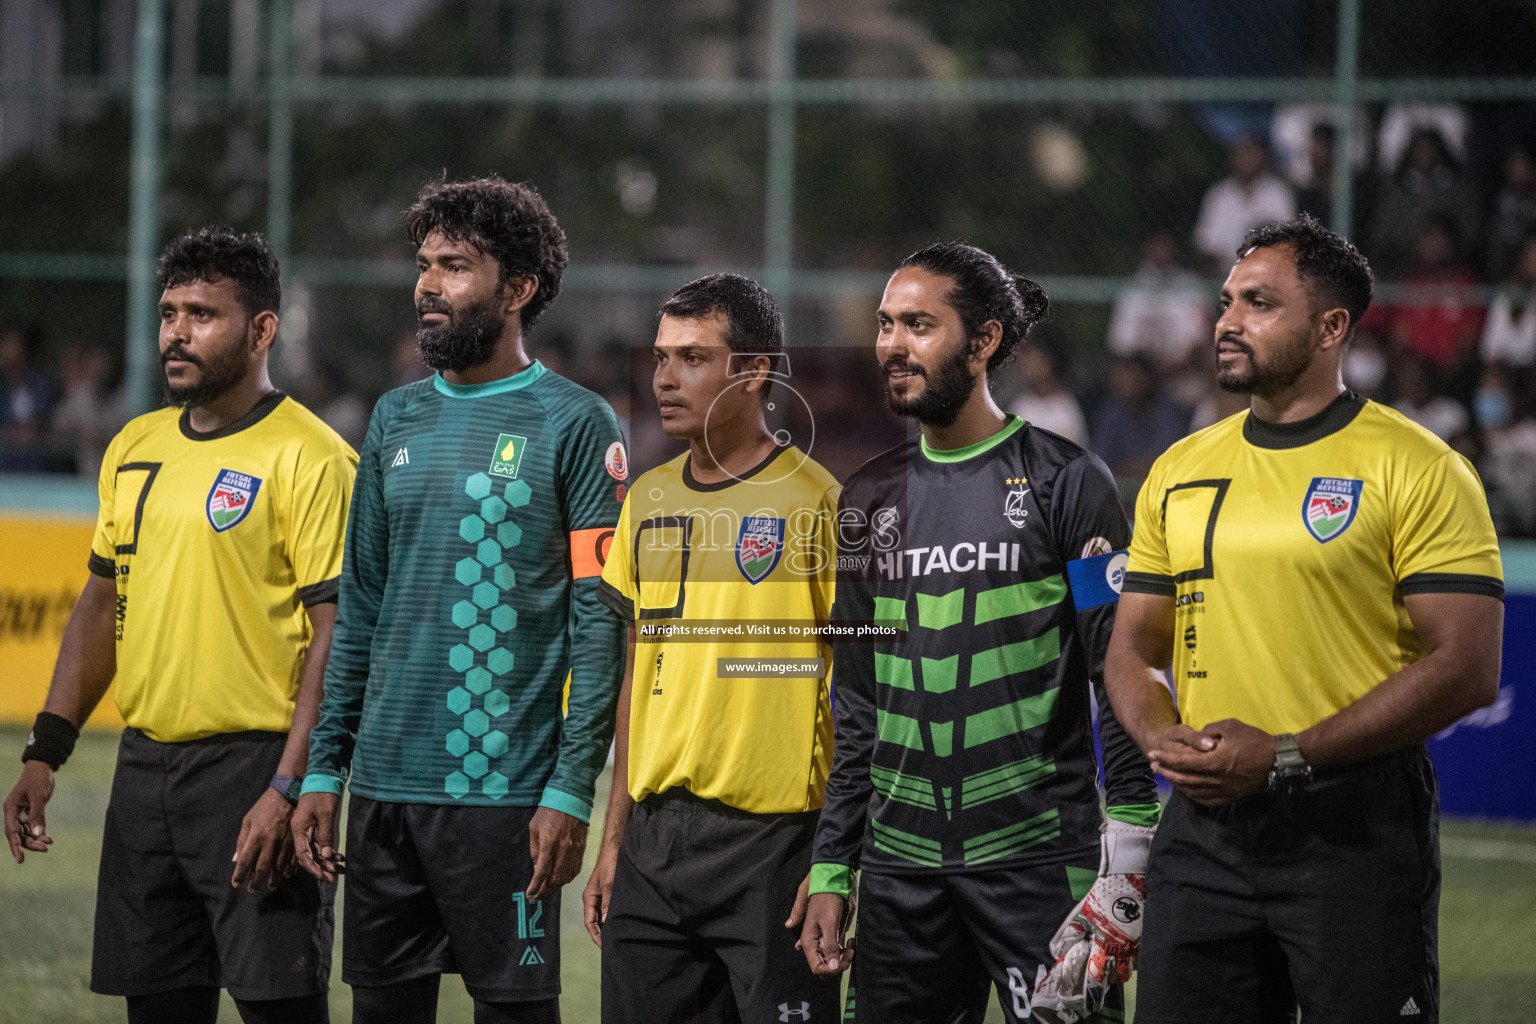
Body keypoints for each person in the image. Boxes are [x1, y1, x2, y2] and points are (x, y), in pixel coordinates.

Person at [1106, 214, 1503, 1024]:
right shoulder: (1180, 468)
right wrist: (1159, 738)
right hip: (1204, 831)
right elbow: (1135, 650)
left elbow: (1466, 665)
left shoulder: (1419, 466)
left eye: (1258, 302)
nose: (1226, 321)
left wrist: (1287, 756)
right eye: (1225, 301)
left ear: (1330, 328)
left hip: (1353, 829)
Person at [291, 175, 626, 1024]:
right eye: (424, 264)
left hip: (506, 801)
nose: (427, 285)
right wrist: (328, 766)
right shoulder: (393, 420)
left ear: (517, 290)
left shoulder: (578, 424)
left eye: (455, 266)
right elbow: (360, 608)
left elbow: (600, 622)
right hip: (384, 797)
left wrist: (568, 790)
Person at [3, 226, 357, 1024]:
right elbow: (99, 604)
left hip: (255, 769)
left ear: (262, 330)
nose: (176, 332)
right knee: (157, 1007)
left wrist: (290, 783)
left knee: (279, 1006)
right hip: (144, 773)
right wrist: (45, 749)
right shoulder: (133, 446)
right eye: (169, 313)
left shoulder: (313, 458)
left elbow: (338, 638)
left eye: (202, 314)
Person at [799, 242, 1160, 1024]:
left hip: (1040, 865)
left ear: (984, 340)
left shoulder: (1068, 481)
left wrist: (1130, 851)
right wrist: (833, 865)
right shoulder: (864, 501)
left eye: (920, 325)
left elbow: (1120, 671)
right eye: (885, 324)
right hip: (898, 876)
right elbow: (857, 703)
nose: (892, 344)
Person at [582, 273, 843, 1023]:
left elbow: (858, 694)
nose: (664, 377)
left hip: (775, 851)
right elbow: (640, 673)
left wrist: (833, 862)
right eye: (661, 358)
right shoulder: (647, 500)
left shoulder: (819, 503)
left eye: (693, 358)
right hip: (653, 850)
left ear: (754, 370)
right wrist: (614, 842)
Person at [1193, 135, 1296, 271]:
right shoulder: (1219, 195)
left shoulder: (1277, 193)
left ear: (1263, 158)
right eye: (1243, 153)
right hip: (1223, 274)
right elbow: (1205, 243)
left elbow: (1287, 240)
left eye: (1252, 153)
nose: (1247, 159)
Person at [1006, 340, 1088, 446]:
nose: (1027, 368)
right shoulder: (1020, 404)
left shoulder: (1065, 406)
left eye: (1034, 362)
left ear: (1048, 363)